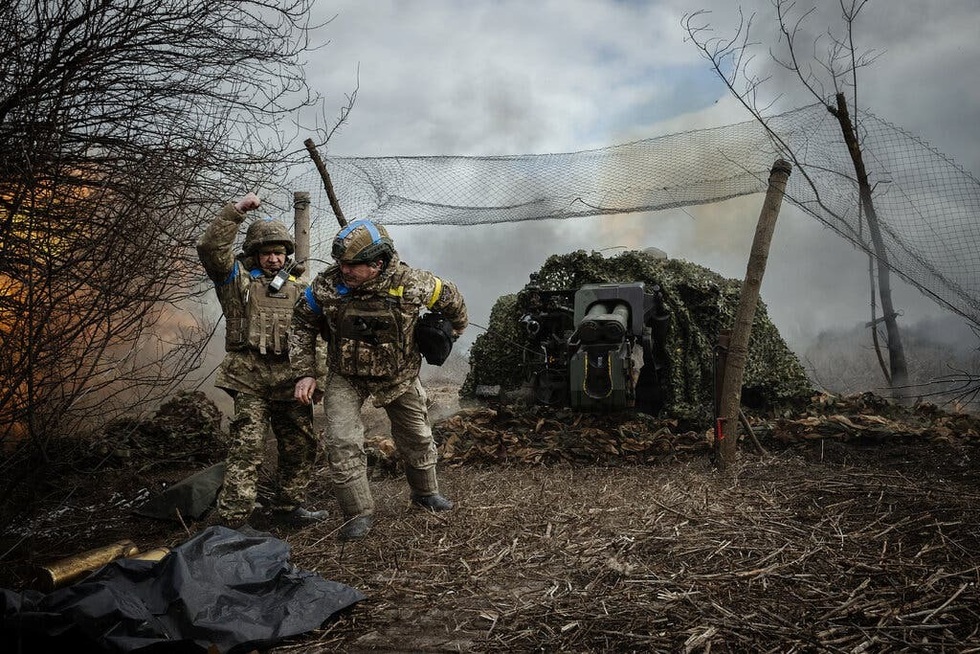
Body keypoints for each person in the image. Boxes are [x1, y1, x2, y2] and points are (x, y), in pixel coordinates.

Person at [290, 219, 467, 541]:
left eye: (351, 265)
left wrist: (450, 332)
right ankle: (357, 513)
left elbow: (453, 301)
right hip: (346, 375)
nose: (343, 270)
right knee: (342, 441)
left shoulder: (413, 283)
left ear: (378, 263)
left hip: (398, 376)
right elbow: (301, 322)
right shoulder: (327, 286)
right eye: (340, 263)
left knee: (416, 435)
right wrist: (305, 371)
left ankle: (425, 493)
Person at [197, 192, 327, 527]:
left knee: (300, 445)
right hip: (249, 378)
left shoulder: (303, 289)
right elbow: (211, 249)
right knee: (247, 447)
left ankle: (288, 508)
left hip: (290, 380)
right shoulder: (236, 281)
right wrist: (236, 211)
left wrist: (315, 377)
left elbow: (316, 335)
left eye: (279, 252)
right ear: (255, 254)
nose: (273, 259)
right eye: (266, 252)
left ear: (286, 255)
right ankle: (234, 520)